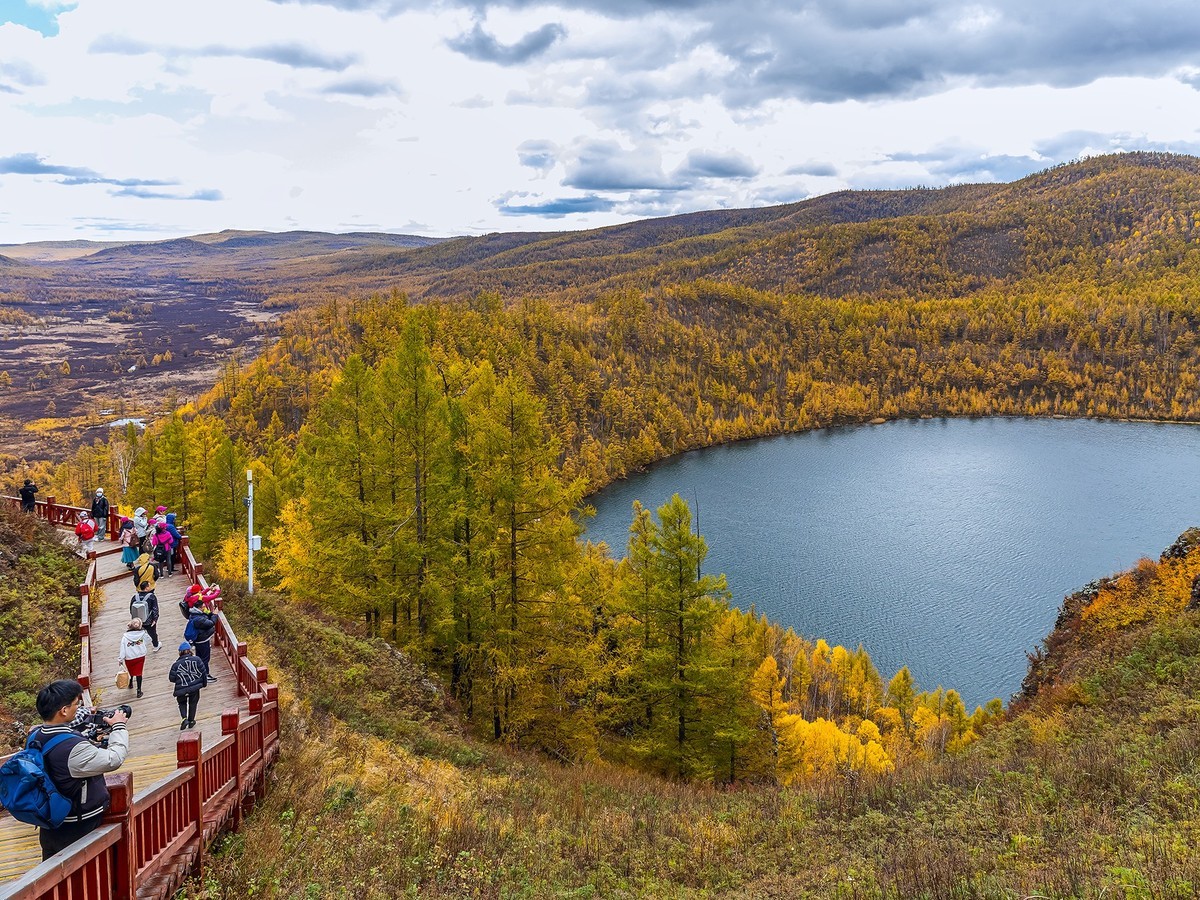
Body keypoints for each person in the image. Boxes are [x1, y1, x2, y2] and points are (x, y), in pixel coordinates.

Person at [29, 679, 128, 859]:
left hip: (50, 824)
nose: (79, 707)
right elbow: (113, 759)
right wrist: (118, 727)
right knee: (87, 882)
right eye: (76, 703)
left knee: (55, 881)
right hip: (79, 827)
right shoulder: (71, 747)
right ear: (64, 710)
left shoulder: (35, 736)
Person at [168, 642, 209, 730]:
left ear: (180, 652)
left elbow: (171, 678)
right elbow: (203, 672)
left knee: (182, 703)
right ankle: (191, 720)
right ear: (190, 651)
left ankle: (184, 718)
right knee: (193, 703)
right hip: (194, 687)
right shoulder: (197, 660)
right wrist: (204, 684)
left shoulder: (176, 665)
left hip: (181, 688)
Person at [184, 601, 218, 681]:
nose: (205, 608)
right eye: (203, 607)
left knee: (199, 657)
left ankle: (199, 673)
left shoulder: (194, 614)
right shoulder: (198, 619)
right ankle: (205, 675)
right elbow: (210, 623)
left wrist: (210, 614)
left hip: (198, 640)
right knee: (205, 658)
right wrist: (215, 615)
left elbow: (206, 618)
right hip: (202, 640)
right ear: (199, 608)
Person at [116, 619, 149, 698]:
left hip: (129, 658)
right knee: (139, 673)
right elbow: (149, 640)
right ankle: (139, 690)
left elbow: (122, 649)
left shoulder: (125, 637)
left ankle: (130, 683)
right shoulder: (143, 634)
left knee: (131, 671)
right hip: (140, 656)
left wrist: (120, 659)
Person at [130, 587, 161, 652]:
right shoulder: (151, 597)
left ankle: (139, 647)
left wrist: (134, 620)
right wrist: (155, 619)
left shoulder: (135, 597)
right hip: (148, 620)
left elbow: (131, 609)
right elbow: (155, 609)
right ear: (146, 588)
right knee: (152, 633)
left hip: (138, 622)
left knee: (139, 634)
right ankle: (156, 646)